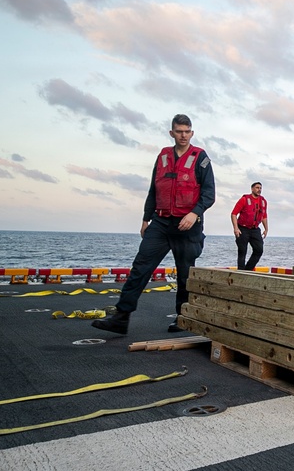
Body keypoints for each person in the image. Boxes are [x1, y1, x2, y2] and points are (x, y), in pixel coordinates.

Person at [92, 114, 215, 335]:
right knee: (140, 267)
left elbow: (209, 194)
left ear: (192, 133)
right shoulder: (162, 157)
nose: (183, 135)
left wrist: (194, 214)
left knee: (185, 274)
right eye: (179, 131)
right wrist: (146, 218)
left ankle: (183, 318)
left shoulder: (200, 158)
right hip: (160, 223)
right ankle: (121, 317)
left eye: (187, 131)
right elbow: (153, 190)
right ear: (172, 133)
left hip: (187, 225)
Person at [231, 182, 269, 270]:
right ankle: (241, 272)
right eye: (257, 188)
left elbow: (264, 216)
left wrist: (266, 229)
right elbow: (233, 214)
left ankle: (248, 270)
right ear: (252, 189)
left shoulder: (263, 201)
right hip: (242, 228)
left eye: (260, 188)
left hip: (255, 229)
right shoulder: (244, 199)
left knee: (259, 250)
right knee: (242, 251)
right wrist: (236, 228)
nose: (259, 189)